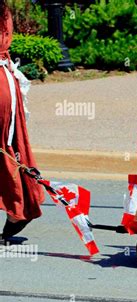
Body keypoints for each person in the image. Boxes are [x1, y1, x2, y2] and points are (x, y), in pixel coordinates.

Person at [0, 1, 44, 242]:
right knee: (10, 148)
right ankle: (21, 205)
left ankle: (19, 207)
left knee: (5, 151)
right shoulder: (3, 9)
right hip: (6, 83)